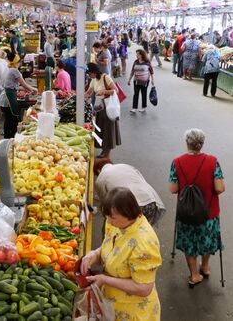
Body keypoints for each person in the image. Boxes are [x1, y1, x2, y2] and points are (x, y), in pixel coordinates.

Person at [81, 187, 162, 321]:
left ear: (128, 213)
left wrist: (104, 279)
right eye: (106, 216)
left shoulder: (144, 243)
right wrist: (94, 255)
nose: (109, 221)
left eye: (113, 218)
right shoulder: (116, 223)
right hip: (112, 305)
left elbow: (143, 288)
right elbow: (110, 246)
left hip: (133, 312)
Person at [169, 128, 225, 288]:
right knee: (206, 239)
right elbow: (219, 188)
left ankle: (194, 274)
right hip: (208, 212)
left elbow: (173, 189)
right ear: (202, 144)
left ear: (187, 143)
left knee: (189, 243)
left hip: (186, 213)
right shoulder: (213, 161)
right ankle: (205, 267)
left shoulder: (177, 162)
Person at [94, 159, 165, 225]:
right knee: (143, 229)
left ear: (97, 170)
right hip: (151, 200)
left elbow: (105, 203)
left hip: (133, 205)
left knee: (121, 231)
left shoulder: (101, 178)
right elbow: (140, 178)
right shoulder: (124, 165)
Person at [85, 63, 121, 159]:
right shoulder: (93, 80)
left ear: (94, 72)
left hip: (108, 107)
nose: (89, 76)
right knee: (102, 129)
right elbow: (89, 92)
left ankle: (107, 154)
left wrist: (104, 91)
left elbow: (116, 90)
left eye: (89, 74)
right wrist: (81, 96)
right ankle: (104, 151)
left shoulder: (106, 77)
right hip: (100, 107)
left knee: (108, 130)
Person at [1, 52, 37, 138]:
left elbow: (16, 86)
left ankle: (7, 137)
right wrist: (33, 89)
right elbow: (24, 84)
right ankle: (13, 137)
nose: (21, 63)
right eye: (20, 62)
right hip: (9, 98)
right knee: (13, 119)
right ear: (17, 62)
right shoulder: (14, 71)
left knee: (8, 119)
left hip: (5, 97)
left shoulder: (9, 70)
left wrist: (28, 89)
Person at [128, 49, 154, 113]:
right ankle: (134, 108)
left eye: (138, 54)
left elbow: (151, 71)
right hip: (136, 81)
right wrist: (129, 79)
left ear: (142, 55)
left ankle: (143, 107)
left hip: (145, 82)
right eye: (136, 54)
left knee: (144, 94)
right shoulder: (135, 62)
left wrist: (152, 80)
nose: (136, 55)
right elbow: (132, 71)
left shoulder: (147, 62)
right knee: (136, 94)